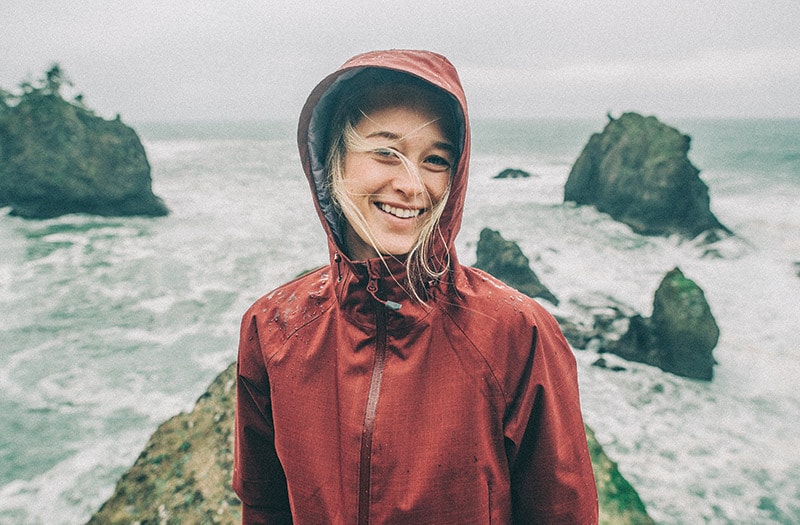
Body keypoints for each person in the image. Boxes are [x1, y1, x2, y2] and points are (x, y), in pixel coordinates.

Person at [233, 49, 598, 524]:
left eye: (435, 160)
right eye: (386, 152)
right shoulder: (273, 329)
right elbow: (264, 507)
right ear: (334, 159)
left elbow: (563, 513)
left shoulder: (517, 333)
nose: (411, 185)